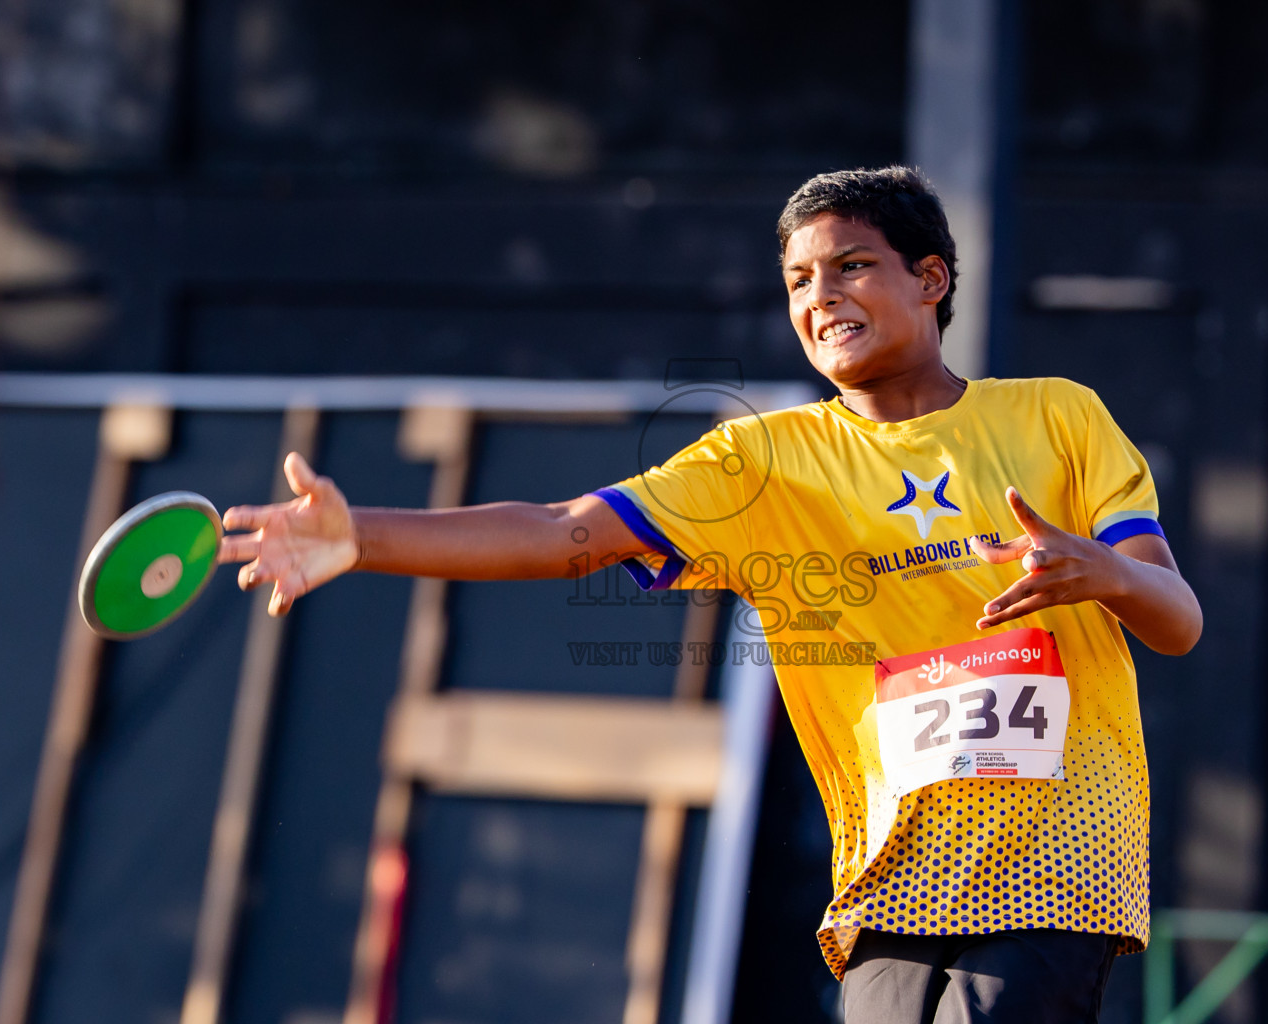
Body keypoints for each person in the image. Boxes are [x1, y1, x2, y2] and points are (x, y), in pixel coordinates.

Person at [217, 166, 1202, 1024]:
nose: (822, 295)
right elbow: (566, 531)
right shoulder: (763, 457)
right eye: (798, 280)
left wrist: (1105, 574)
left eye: (851, 264)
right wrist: (363, 538)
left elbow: (1177, 619)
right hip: (890, 889)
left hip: (1059, 864)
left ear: (930, 279)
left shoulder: (1058, 417)